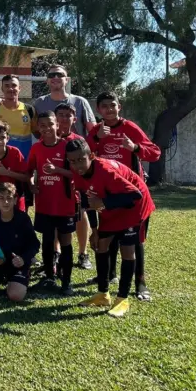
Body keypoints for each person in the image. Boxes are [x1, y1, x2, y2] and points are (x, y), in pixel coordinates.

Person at [65, 139, 155, 317]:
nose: (77, 165)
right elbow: (87, 201)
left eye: (81, 159)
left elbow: (135, 195)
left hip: (134, 207)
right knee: (101, 245)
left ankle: (122, 299)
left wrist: (104, 202)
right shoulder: (77, 172)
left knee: (127, 250)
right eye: (72, 161)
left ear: (91, 156)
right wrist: (95, 230)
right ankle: (103, 294)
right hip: (111, 207)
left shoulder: (106, 171)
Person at [87, 91, 161, 300]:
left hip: (132, 196)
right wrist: (95, 138)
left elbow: (154, 153)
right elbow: (84, 155)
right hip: (108, 195)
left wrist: (135, 147)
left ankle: (141, 283)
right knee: (108, 236)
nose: (109, 109)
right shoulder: (97, 131)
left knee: (135, 241)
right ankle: (110, 275)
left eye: (113, 105)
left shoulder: (129, 128)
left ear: (120, 107)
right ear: (98, 110)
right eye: (104, 106)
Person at [27, 111, 77, 295]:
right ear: (38, 128)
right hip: (45, 204)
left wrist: (57, 170)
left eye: (50, 124)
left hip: (65, 204)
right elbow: (29, 172)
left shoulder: (67, 147)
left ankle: (67, 282)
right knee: (47, 241)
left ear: (57, 125)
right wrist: (31, 184)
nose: (47, 129)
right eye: (42, 126)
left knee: (65, 242)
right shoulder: (36, 149)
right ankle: (49, 278)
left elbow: (77, 173)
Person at [0, 183, 40, 301]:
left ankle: (14, 280)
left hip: (17, 263)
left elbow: (35, 244)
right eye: (1, 198)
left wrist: (23, 258)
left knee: (16, 296)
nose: (5, 202)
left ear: (15, 200)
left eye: (9, 198)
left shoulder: (23, 219)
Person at [55, 103, 93, 270]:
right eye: (61, 115)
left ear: (74, 119)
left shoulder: (79, 141)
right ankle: (56, 253)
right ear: (55, 118)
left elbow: (85, 169)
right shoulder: (48, 138)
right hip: (53, 190)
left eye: (67, 115)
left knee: (80, 217)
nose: (64, 118)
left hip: (74, 189)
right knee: (54, 221)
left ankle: (83, 253)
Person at [0, 74, 37, 156]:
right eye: (7, 86)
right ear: (2, 89)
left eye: (14, 85)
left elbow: (38, 133)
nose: (10, 89)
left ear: (19, 88)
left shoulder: (29, 110)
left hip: (23, 162)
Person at [32, 65, 96, 137]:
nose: (56, 77)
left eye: (60, 75)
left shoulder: (80, 102)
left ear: (66, 80)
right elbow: (35, 130)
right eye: (51, 75)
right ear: (47, 81)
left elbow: (93, 131)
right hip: (50, 147)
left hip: (76, 147)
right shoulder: (39, 103)